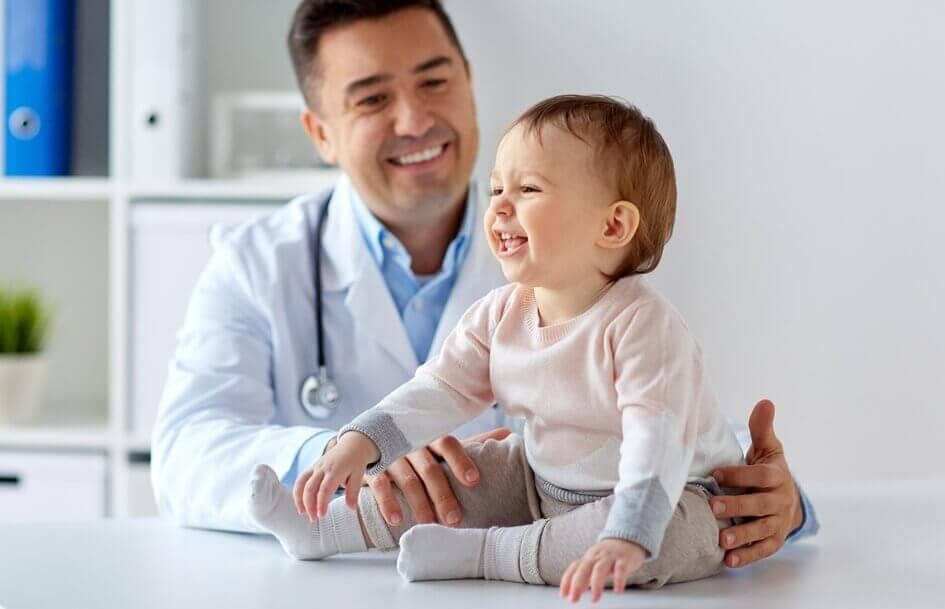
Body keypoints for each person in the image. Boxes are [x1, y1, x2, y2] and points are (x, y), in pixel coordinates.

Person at [151, 0, 818, 571]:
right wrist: (336, 452)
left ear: (469, 83)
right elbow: (185, 451)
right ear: (320, 131)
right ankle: (324, 531)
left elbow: (659, 416)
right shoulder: (255, 262)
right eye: (372, 98)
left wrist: (775, 499)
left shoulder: (575, 250)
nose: (414, 120)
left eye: (433, 81)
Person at [249, 94, 750, 602]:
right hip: (542, 481)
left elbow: (656, 441)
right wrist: (360, 442)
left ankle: (485, 554)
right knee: (460, 476)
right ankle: (320, 531)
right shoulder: (501, 312)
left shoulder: (644, 325)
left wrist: (626, 535)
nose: (499, 207)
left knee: (660, 540)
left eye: (528, 188)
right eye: (495, 189)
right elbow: (439, 389)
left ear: (613, 226)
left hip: (670, 495)